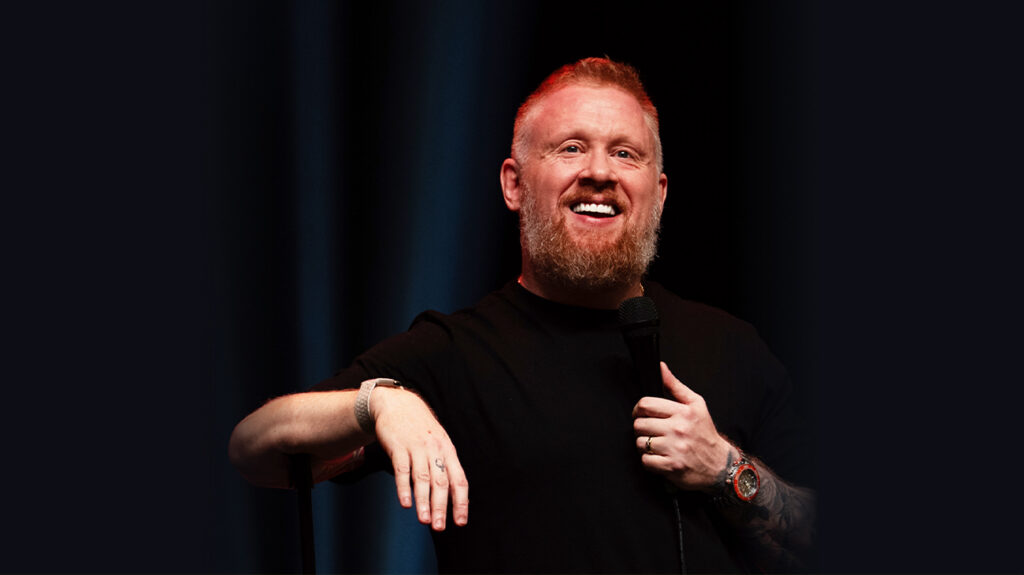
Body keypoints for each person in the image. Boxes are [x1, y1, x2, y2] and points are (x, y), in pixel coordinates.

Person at [229, 57, 815, 573]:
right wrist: (378, 402)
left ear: (658, 193)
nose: (600, 172)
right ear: (514, 184)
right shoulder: (454, 353)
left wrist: (728, 469)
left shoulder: (733, 347)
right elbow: (253, 446)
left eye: (625, 153)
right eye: (570, 148)